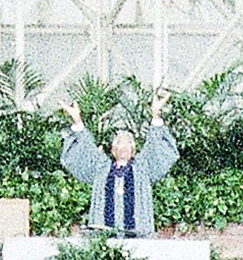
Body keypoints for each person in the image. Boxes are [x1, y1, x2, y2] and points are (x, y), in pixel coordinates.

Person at [60, 99, 180, 235]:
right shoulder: (101, 168)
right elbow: (86, 148)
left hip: (138, 236)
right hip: (104, 237)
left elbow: (155, 146)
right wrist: (77, 121)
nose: (122, 149)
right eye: (118, 145)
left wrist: (156, 116)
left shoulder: (142, 168)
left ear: (133, 150)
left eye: (126, 145)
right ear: (112, 150)